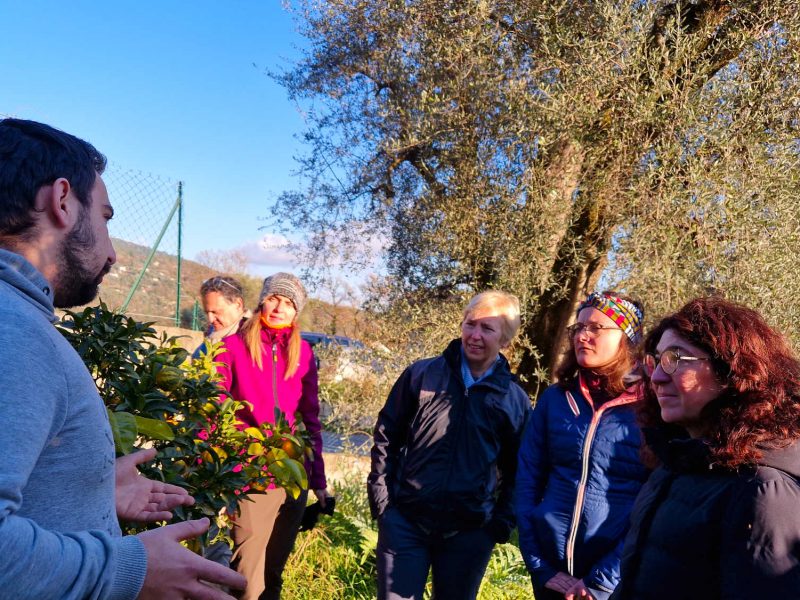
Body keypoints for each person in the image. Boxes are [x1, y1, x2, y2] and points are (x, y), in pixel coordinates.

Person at [0, 117, 246, 599]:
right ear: (63, 201)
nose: (112, 254)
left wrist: (83, 491)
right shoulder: (14, 333)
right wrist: (127, 569)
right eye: (106, 218)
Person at [611, 297, 800, 599]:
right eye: (657, 360)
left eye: (676, 359)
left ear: (732, 371)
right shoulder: (676, 460)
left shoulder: (763, 489)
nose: (657, 377)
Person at [368, 290, 529, 600]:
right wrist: (382, 502)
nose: (475, 335)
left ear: (506, 340)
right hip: (405, 523)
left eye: (487, 328)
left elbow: (521, 469)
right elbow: (387, 435)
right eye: (471, 324)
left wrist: (499, 524)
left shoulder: (513, 400)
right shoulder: (422, 375)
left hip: (469, 534)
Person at [515, 291, 649, 600]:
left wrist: (603, 580)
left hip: (613, 583)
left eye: (596, 328)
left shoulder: (651, 409)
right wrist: (540, 566)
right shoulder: (555, 399)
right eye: (579, 327)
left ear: (626, 339)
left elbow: (652, 501)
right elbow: (527, 480)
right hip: (551, 577)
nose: (583, 336)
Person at [215, 272, 330, 600]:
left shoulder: (303, 352)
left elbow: (310, 418)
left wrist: (318, 480)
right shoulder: (234, 346)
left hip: (292, 477)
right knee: (247, 576)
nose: (280, 307)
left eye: (289, 303)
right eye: (274, 298)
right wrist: (226, 473)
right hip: (252, 474)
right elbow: (215, 409)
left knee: (273, 575)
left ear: (297, 312)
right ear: (262, 300)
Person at [195, 275, 250, 356]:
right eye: (207, 313)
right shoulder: (213, 335)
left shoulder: (253, 340)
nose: (211, 319)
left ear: (238, 304)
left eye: (216, 312)